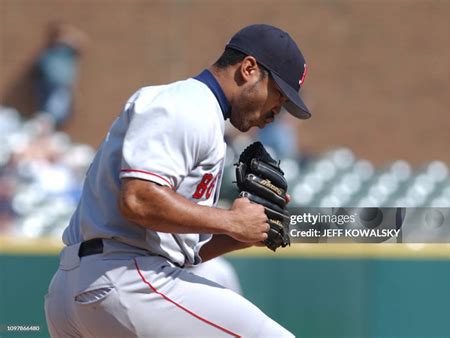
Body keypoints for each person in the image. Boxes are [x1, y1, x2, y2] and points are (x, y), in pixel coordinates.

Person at [44, 24, 311, 337]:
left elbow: (179, 252)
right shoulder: (188, 105)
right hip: (124, 280)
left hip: (90, 286)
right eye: (278, 94)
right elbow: (138, 199)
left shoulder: (202, 116)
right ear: (249, 68)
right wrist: (231, 221)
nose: (277, 110)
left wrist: (242, 235)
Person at [35, 22, 87, 127]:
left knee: (56, 116)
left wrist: (68, 36)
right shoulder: (48, 51)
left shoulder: (68, 50)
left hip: (62, 88)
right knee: (48, 117)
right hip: (48, 87)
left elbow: (83, 42)